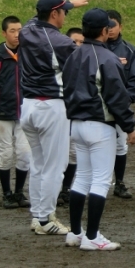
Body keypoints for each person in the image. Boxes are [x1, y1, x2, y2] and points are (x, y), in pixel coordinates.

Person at [63, 9, 135, 251]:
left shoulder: (73, 55)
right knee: (101, 180)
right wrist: (129, 126)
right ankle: (92, 236)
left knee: (82, 177)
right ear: (105, 31)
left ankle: (75, 233)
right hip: (99, 125)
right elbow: (116, 97)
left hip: (77, 124)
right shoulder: (107, 57)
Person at [19, 0, 90, 235]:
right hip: (51, 107)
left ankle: (38, 216)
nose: (65, 15)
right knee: (55, 167)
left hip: (28, 106)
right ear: (54, 14)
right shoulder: (61, 42)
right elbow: (84, 65)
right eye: (63, 11)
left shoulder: (27, 30)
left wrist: (70, 3)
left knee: (39, 164)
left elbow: (37, 17)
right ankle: (45, 218)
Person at [0, 16, 31, 209]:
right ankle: (6, 194)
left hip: (24, 111)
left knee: (24, 153)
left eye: (20, 30)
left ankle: (19, 192)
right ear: (4, 33)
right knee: (5, 152)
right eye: (12, 30)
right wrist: (3, 96)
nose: (17, 34)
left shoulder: (28, 54)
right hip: (2, 112)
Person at [106, 10, 135, 199]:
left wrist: (124, 101)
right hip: (97, 108)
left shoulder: (129, 50)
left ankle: (119, 182)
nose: (110, 29)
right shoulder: (95, 48)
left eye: (113, 25)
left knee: (121, 145)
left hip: (120, 108)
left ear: (120, 26)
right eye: (106, 25)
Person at [58, 27, 85, 207]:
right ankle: (55, 187)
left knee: (74, 152)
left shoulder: (86, 63)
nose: (78, 45)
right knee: (59, 152)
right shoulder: (59, 62)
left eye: (81, 42)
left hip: (77, 112)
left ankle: (66, 188)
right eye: (74, 41)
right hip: (59, 111)